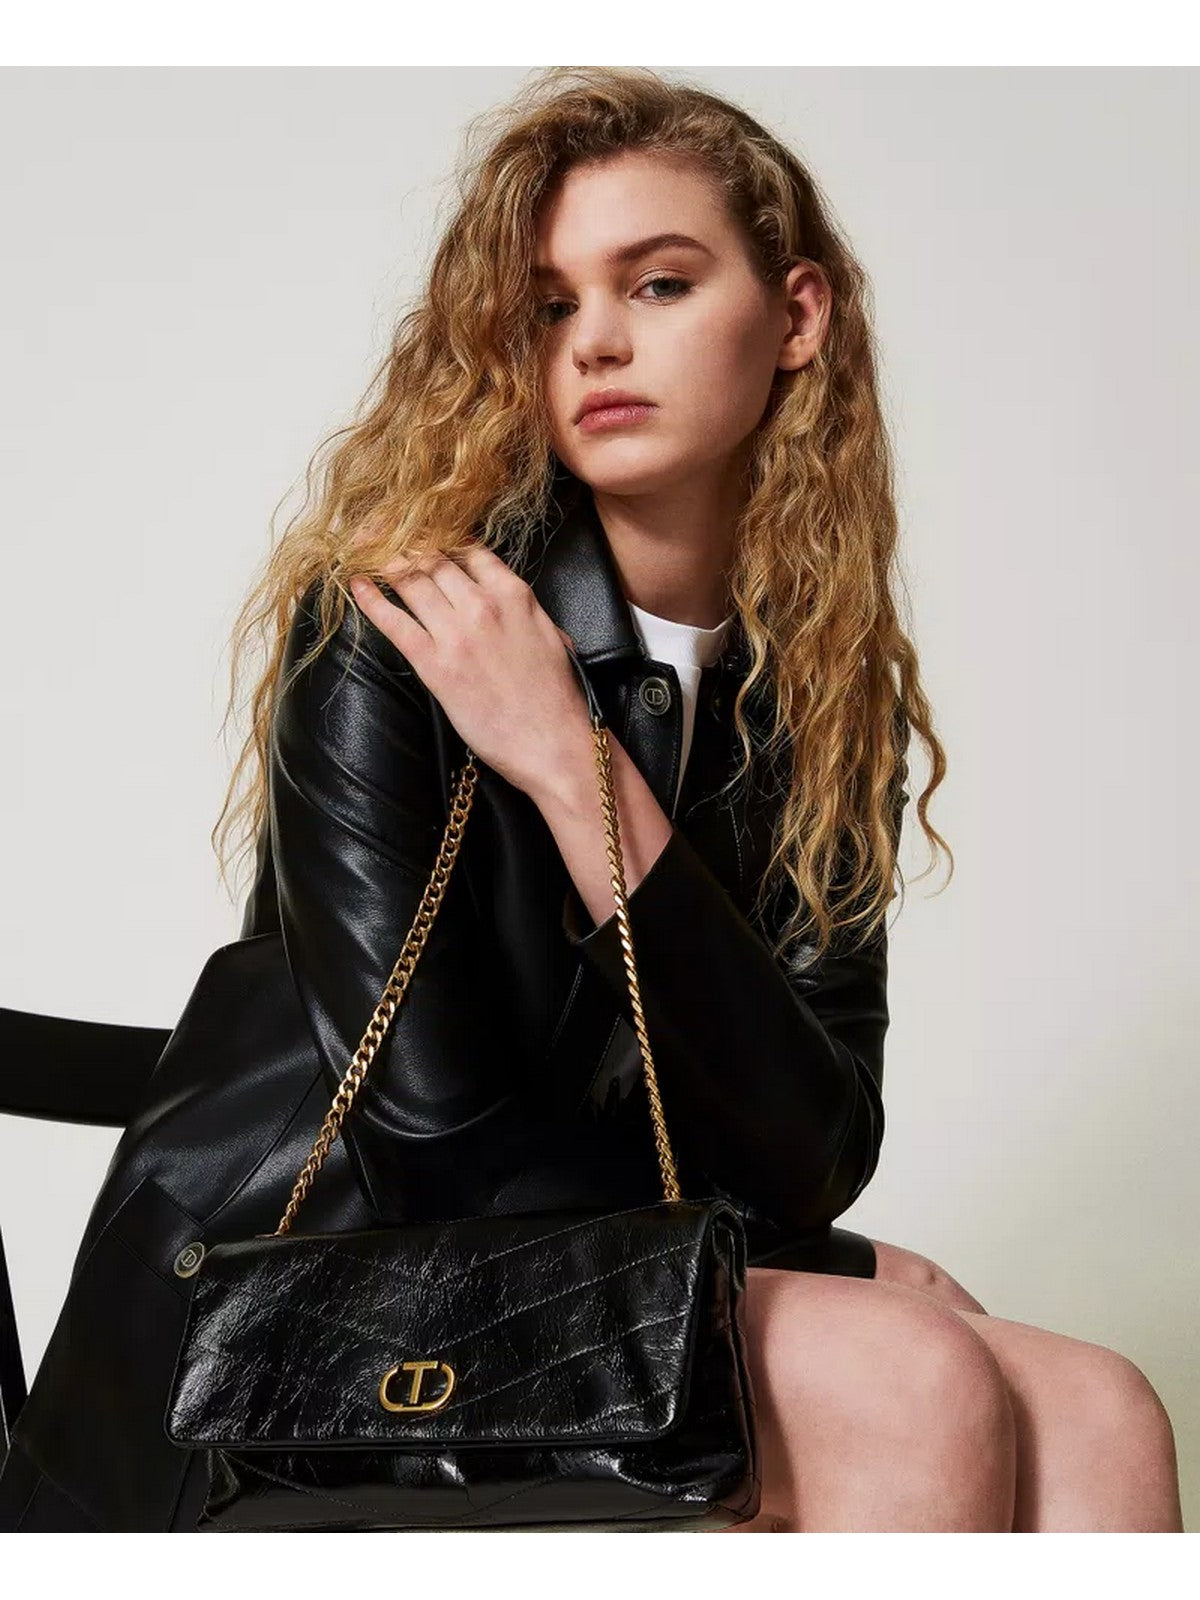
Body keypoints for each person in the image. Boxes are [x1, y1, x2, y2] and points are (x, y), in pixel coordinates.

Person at [0, 65, 1182, 1534]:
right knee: (905, 1372)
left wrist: (578, 769)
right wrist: (822, 1266)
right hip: (282, 1358)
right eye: (551, 306)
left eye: (661, 283)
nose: (599, 342)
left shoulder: (816, 695)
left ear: (798, 316)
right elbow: (431, 1136)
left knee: (1098, 1405)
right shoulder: (406, 622)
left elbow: (813, 1146)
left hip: (561, 1309)